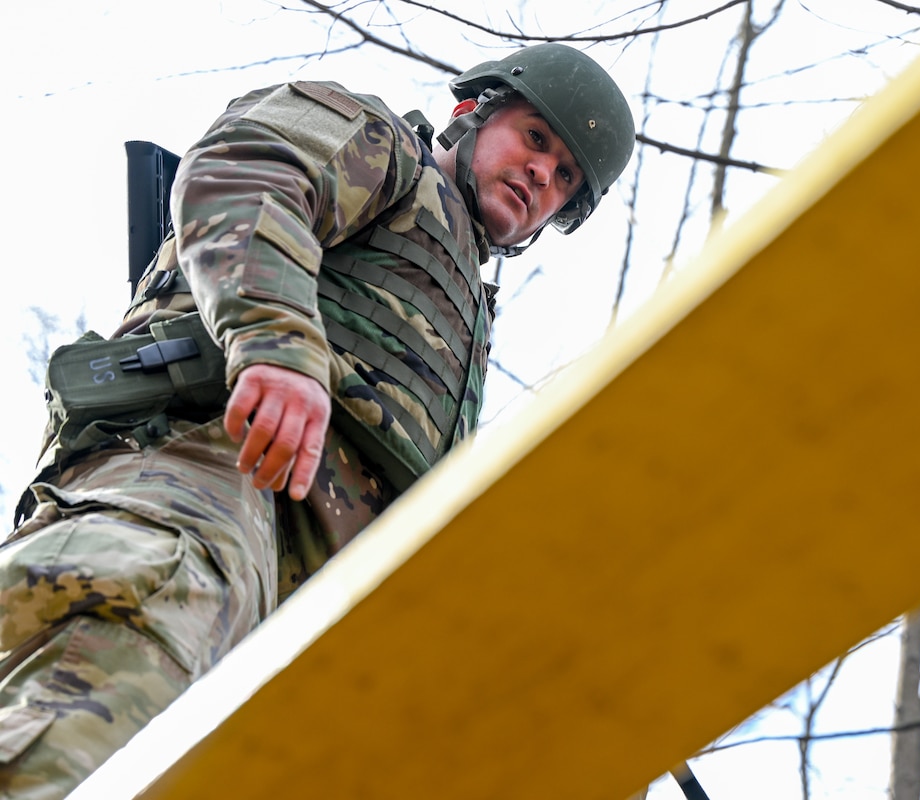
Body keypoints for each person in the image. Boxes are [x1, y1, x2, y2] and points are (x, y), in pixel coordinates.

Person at [0, 43, 635, 799]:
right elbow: (246, 175)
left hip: (320, 599)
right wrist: (278, 346)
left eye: (565, 176)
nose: (542, 175)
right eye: (536, 140)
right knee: (148, 638)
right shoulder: (378, 143)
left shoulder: (468, 320)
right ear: (473, 112)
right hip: (210, 464)